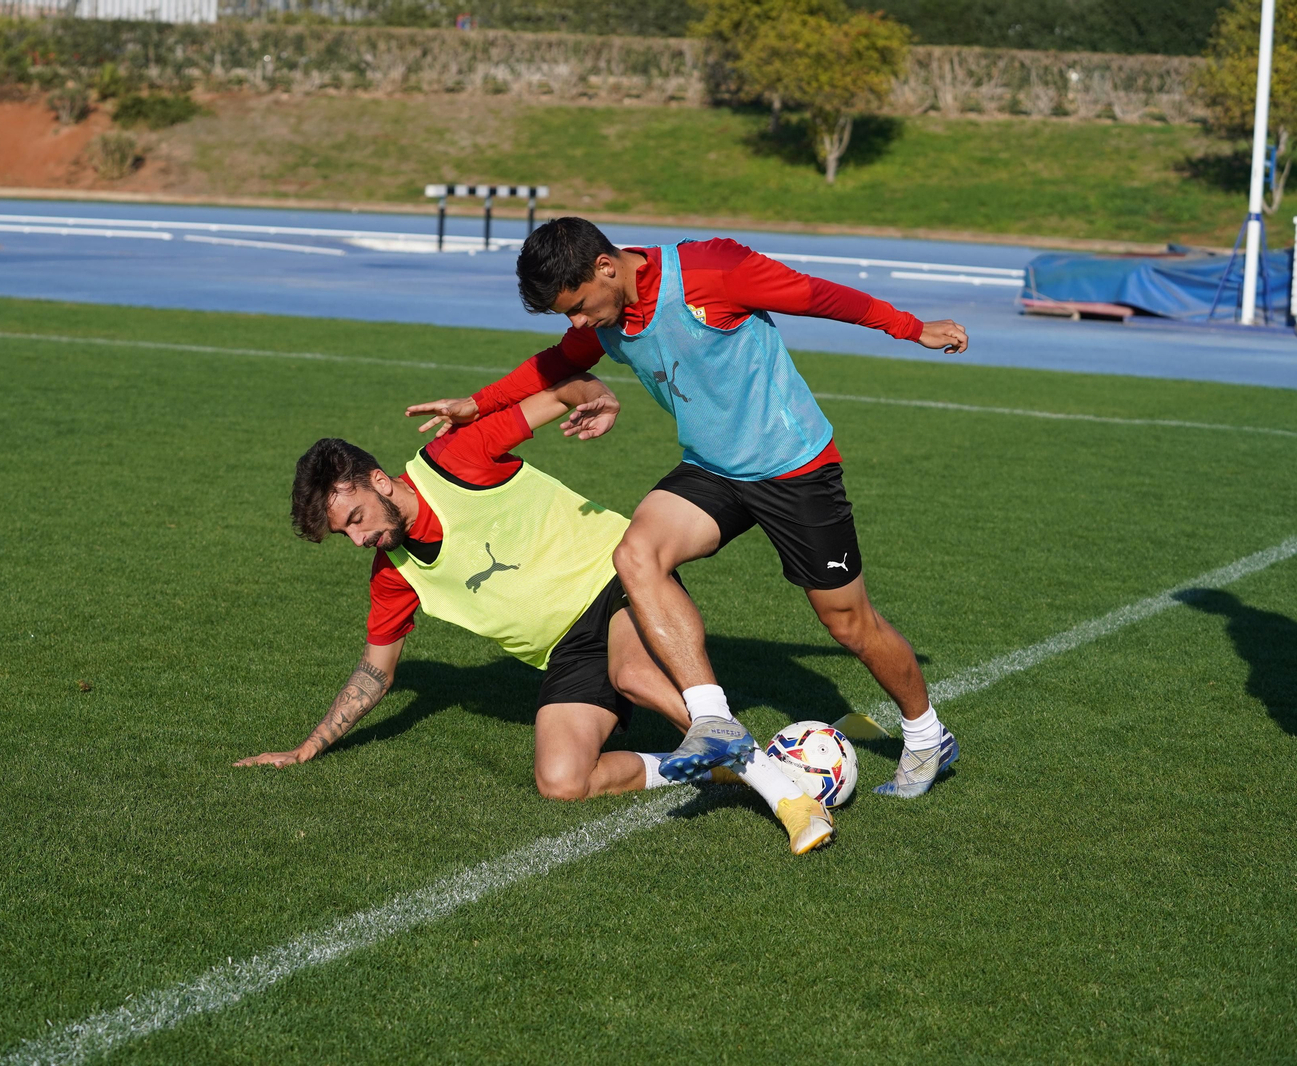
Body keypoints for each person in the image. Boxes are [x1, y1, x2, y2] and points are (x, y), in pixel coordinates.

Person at [406, 218, 966, 800]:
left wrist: (912, 329)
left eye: (576, 306)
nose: (577, 322)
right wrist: (476, 403)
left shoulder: (712, 269)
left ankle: (926, 735)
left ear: (606, 267)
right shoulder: (605, 318)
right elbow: (554, 364)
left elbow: (815, 295)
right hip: (713, 469)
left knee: (849, 624)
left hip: (794, 467)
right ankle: (712, 719)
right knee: (635, 553)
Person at [236, 371, 837, 855]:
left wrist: (596, 396)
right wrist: (307, 747)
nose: (358, 539)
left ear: (377, 481)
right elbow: (375, 673)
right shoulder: (393, 575)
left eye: (355, 519)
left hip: (617, 578)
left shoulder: (456, 458)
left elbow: (559, 390)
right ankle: (710, 767)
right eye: (344, 534)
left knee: (631, 673)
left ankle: (784, 791)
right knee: (562, 782)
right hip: (568, 649)